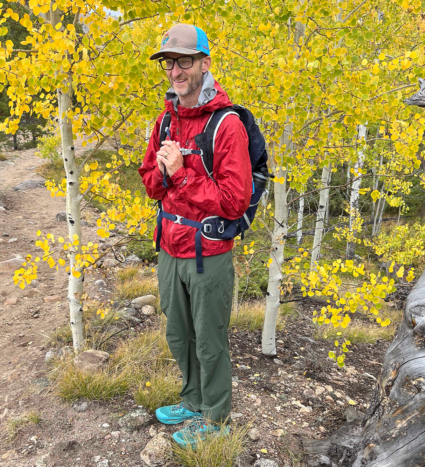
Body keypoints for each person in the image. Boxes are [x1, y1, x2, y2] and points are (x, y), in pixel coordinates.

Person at [138, 23, 252, 448]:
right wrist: (164, 173)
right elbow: (150, 182)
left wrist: (181, 174)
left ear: (204, 63)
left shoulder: (226, 125)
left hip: (209, 252)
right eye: (169, 62)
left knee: (209, 339)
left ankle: (217, 418)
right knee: (178, 334)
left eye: (184, 60)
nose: (175, 71)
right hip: (169, 249)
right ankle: (192, 399)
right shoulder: (165, 120)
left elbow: (234, 200)